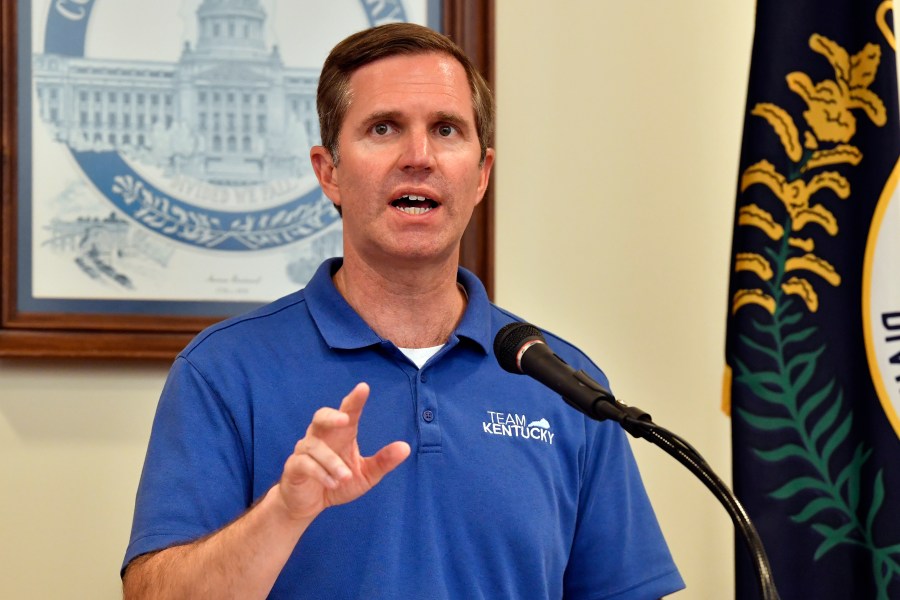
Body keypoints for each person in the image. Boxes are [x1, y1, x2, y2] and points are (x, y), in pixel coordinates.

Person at [121, 22, 685, 599]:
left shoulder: (563, 384)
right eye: (384, 128)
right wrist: (283, 513)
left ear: (482, 173)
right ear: (329, 172)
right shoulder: (221, 372)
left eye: (446, 130)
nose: (419, 157)